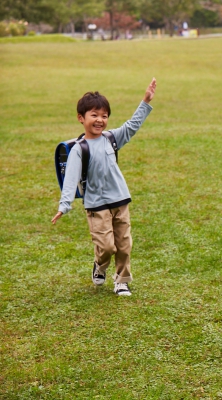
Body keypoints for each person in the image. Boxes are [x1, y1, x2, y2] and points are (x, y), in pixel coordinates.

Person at [52, 78, 157, 296]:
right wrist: (64, 205)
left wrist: (145, 101)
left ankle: (122, 281)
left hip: (120, 199)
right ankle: (100, 265)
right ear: (81, 118)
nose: (100, 120)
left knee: (124, 244)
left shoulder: (111, 138)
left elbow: (131, 126)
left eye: (104, 116)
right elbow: (70, 178)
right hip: (96, 204)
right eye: (94, 115)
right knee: (107, 246)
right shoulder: (79, 149)